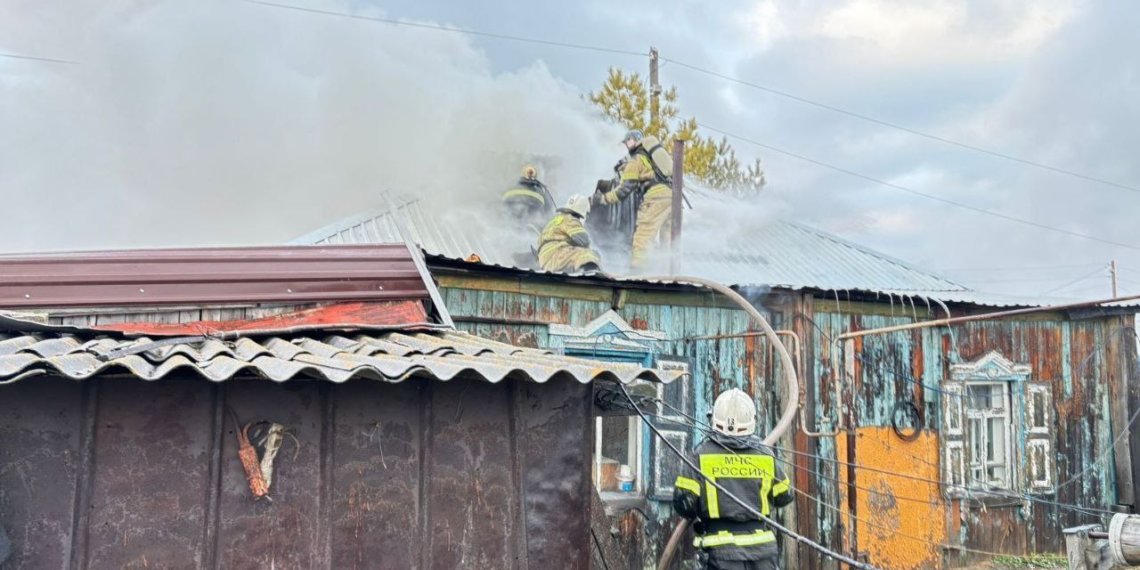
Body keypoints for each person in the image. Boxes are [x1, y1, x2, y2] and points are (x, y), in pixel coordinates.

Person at [673, 389, 793, 570]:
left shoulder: (700, 455)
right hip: (763, 552)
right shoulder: (765, 455)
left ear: (713, 418)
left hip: (720, 552)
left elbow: (684, 504)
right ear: (752, 420)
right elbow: (784, 496)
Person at [592, 130, 673, 270]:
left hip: (656, 198)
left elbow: (624, 190)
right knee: (668, 241)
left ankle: (637, 273)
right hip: (673, 197)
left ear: (632, 140)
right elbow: (648, 174)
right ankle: (667, 270)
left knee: (641, 238)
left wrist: (602, 198)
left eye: (626, 142)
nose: (626, 145)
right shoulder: (650, 157)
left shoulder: (636, 160)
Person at [536, 194, 602, 273]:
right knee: (589, 255)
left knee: (575, 254)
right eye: (587, 214)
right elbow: (584, 241)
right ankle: (589, 275)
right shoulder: (571, 219)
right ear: (584, 212)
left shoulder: (555, 220)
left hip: (545, 259)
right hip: (557, 255)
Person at [501, 164, 555, 231]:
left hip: (511, 217)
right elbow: (549, 211)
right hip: (531, 218)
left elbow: (503, 201)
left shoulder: (512, 187)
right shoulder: (541, 190)